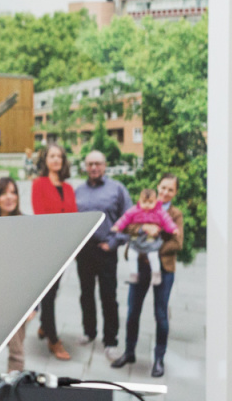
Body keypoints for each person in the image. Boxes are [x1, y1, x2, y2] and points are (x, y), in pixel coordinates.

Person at [110, 174, 184, 378]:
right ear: (158, 186)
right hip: (140, 268)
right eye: (163, 187)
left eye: (170, 189)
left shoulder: (175, 214)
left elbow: (177, 243)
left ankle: (159, 359)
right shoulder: (143, 204)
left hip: (163, 268)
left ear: (175, 192)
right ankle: (129, 352)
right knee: (133, 311)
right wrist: (144, 227)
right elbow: (127, 225)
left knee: (161, 314)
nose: (165, 192)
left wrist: (152, 249)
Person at [72, 150, 131, 361]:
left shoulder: (117, 189)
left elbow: (129, 218)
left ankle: (111, 341)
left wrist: (115, 242)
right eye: (90, 164)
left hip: (106, 249)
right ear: (85, 167)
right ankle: (89, 332)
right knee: (86, 293)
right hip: (84, 251)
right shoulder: (78, 191)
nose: (94, 167)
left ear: (105, 166)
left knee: (108, 296)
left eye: (97, 163)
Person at [30, 143, 76, 361]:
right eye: (52, 156)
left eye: (59, 156)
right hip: (47, 246)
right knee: (48, 295)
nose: (56, 159)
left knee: (53, 291)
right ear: (45, 160)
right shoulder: (38, 184)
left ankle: (43, 325)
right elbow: (41, 215)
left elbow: (74, 215)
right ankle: (53, 339)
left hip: (64, 246)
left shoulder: (68, 188)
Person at [0, 177, 34, 372]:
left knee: (16, 352)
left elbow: (34, 268)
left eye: (13, 192)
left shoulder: (26, 225)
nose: (9, 197)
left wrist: (34, 305)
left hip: (17, 299)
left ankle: (13, 384)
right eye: (4, 193)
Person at [110, 188, 178, 284]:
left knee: (153, 256)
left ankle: (156, 275)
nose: (147, 205)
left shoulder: (159, 211)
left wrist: (173, 229)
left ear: (156, 201)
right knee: (132, 255)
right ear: (139, 201)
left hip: (151, 239)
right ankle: (133, 274)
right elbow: (125, 219)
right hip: (137, 239)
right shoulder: (134, 210)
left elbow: (167, 221)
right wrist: (117, 226)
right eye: (144, 202)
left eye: (150, 202)